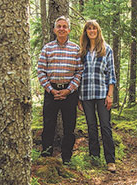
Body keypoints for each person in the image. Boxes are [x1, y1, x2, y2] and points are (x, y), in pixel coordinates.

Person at [37, 16, 83, 164]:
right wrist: (51, 90)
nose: (62, 29)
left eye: (64, 26)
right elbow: (41, 71)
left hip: (69, 94)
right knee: (48, 125)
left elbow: (79, 72)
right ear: (55, 30)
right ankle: (46, 156)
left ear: (68, 30)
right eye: (59, 26)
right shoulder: (47, 48)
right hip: (51, 92)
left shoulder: (76, 49)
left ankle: (67, 158)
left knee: (69, 127)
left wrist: (68, 90)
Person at [78, 20, 117, 172]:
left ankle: (110, 160)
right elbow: (79, 75)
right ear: (86, 32)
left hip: (102, 94)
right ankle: (94, 158)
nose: (92, 31)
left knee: (105, 127)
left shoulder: (106, 49)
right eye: (89, 28)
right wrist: (79, 98)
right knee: (91, 127)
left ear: (98, 31)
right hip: (86, 94)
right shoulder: (82, 51)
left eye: (94, 28)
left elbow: (111, 74)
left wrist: (110, 95)